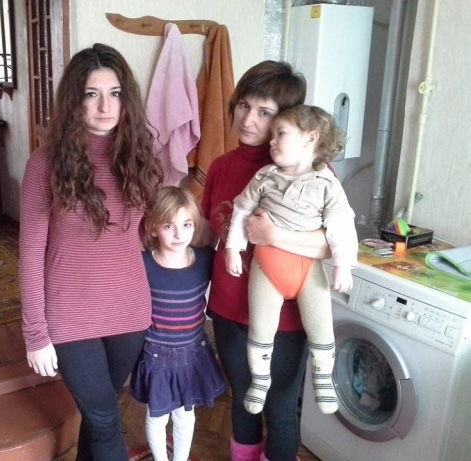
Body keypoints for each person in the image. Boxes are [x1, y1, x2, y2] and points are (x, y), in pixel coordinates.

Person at [19, 43, 163, 461]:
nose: (105, 106)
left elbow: (140, 237)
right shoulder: (45, 164)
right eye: (91, 94)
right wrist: (35, 333)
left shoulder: (140, 159)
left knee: (99, 416)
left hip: (129, 312)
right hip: (69, 315)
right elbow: (30, 254)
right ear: (74, 100)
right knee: (104, 420)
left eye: (114, 93)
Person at [200, 61, 331, 461]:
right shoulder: (221, 167)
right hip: (228, 311)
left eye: (264, 112)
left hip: (288, 317)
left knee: (279, 407)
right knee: (243, 400)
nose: (248, 119)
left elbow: (333, 244)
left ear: (286, 120)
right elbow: (207, 235)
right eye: (244, 105)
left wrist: (273, 237)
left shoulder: (311, 172)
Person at [225, 105, 358, 416]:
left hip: (308, 270)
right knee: (261, 327)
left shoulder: (327, 184)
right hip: (266, 268)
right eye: (272, 135)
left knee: (321, 327)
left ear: (310, 139)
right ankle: (260, 380)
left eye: (280, 133)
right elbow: (241, 212)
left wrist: (343, 265)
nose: (271, 141)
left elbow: (341, 227)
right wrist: (233, 248)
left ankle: (323, 379)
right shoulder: (265, 176)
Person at [130, 186, 226, 461]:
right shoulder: (143, 264)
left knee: (185, 415)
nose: (178, 234)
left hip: (192, 354)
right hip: (156, 357)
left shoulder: (205, 259)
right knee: (157, 416)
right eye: (168, 226)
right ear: (153, 228)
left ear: (195, 225)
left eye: (186, 225)